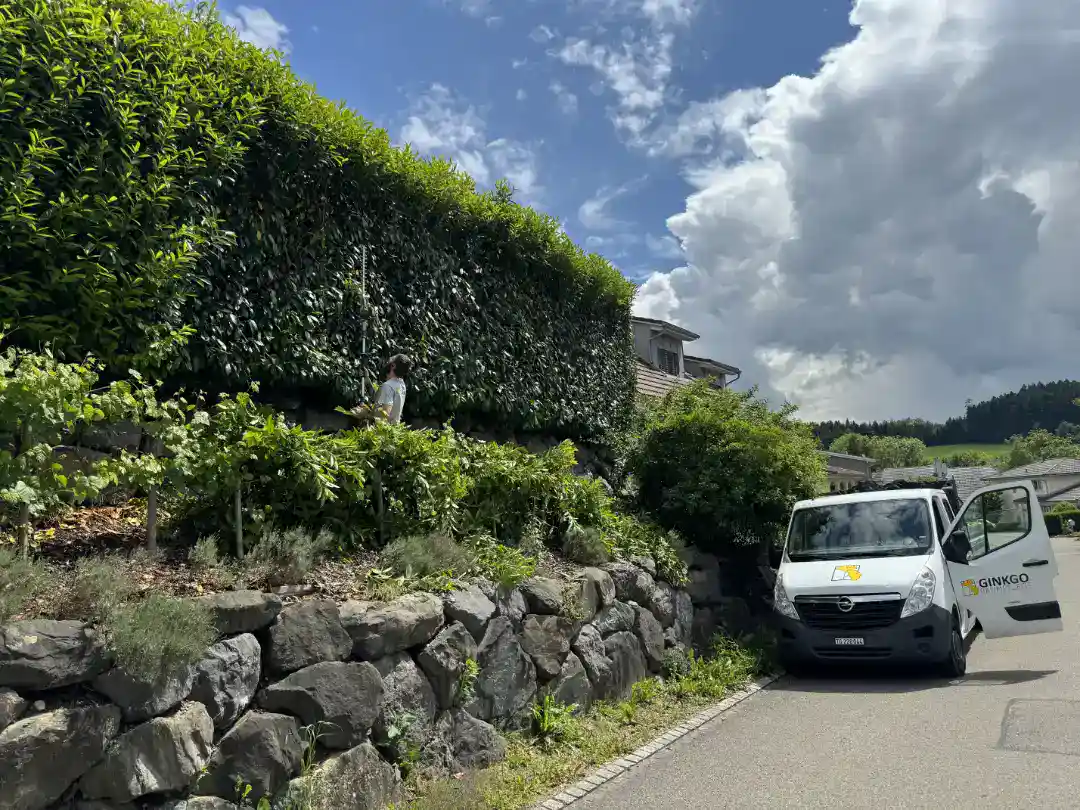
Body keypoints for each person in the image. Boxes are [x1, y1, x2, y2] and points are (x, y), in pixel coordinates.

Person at [351, 354, 411, 425]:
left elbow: (385, 417)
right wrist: (368, 382)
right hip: (394, 429)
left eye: (389, 361)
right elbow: (381, 398)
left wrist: (364, 414)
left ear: (393, 366)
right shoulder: (401, 384)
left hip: (381, 432)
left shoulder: (388, 386)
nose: (386, 364)